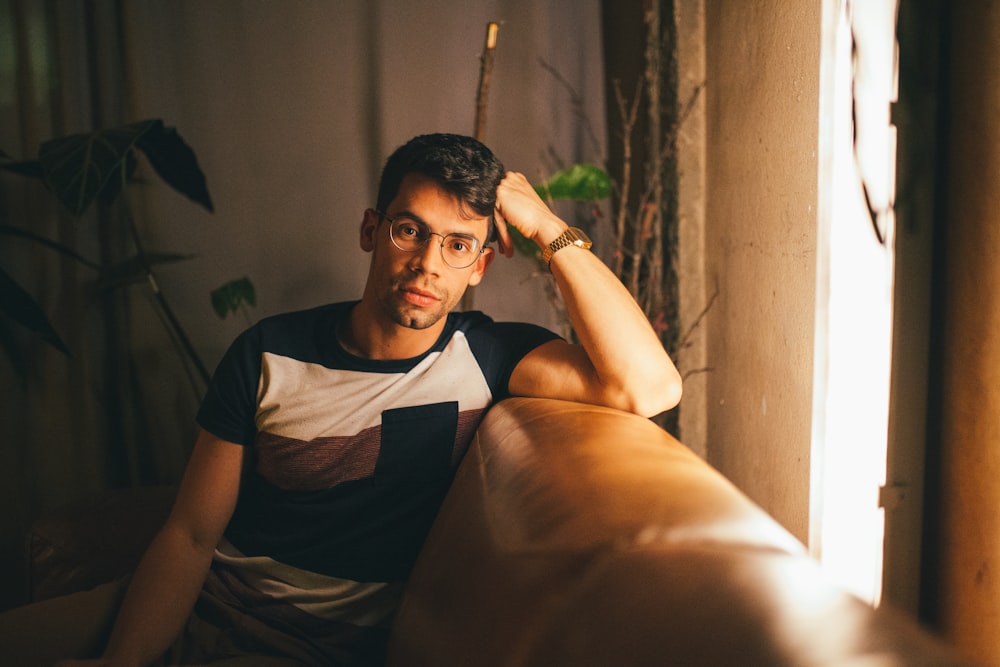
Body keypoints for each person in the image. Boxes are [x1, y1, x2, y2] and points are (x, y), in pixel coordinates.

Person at [3, 133, 681, 666]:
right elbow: (191, 533)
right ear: (370, 229)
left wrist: (542, 224)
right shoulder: (268, 351)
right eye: (408, 230)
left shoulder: (489, 357)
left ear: (480, 266)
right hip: (188, 601)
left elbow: (651, 386)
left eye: (457, 245)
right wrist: (124, 655)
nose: (426, 265)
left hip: (298, 649)